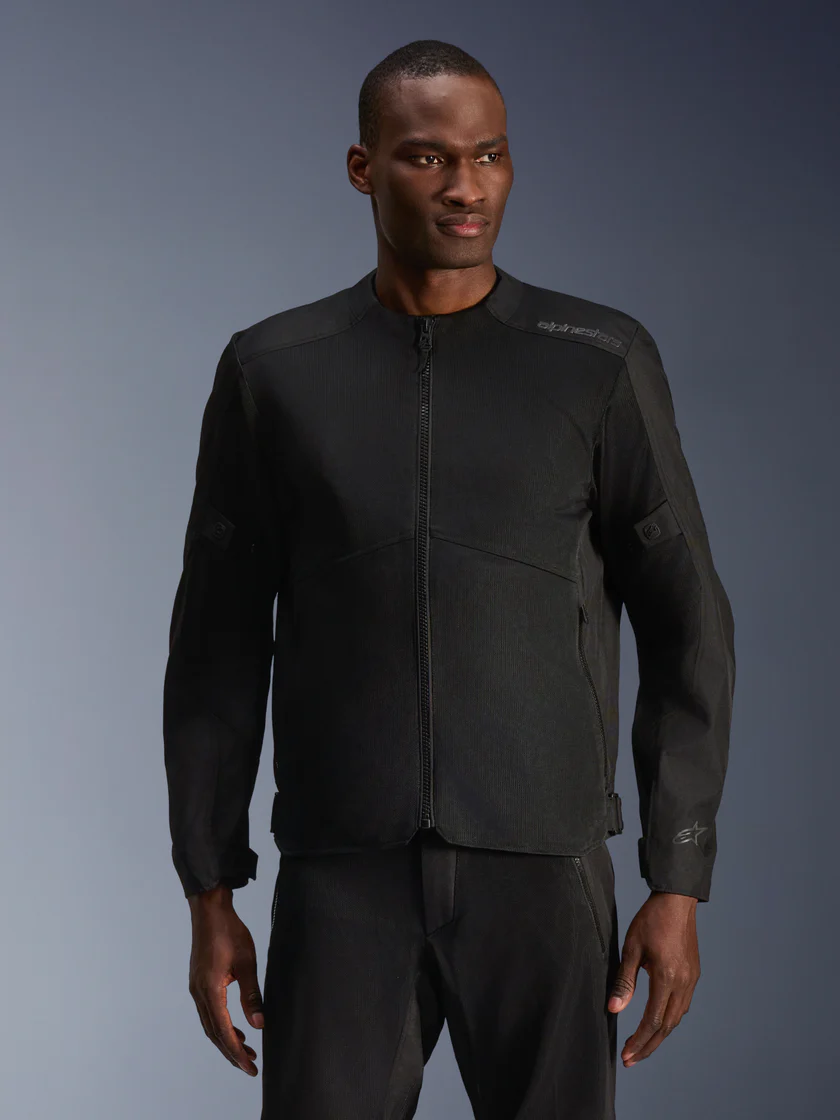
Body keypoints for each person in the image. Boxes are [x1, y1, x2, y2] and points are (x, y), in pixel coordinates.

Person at [163, 38, 736, 1120]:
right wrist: (210, 886)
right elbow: (215, 652)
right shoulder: (272, 371)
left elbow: (689, 622)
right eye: (428, 157)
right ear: (363, 167)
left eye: (489, 155)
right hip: (342, 874)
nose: (466, 187)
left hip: (545, 868)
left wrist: (678, 875)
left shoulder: (598, 360)